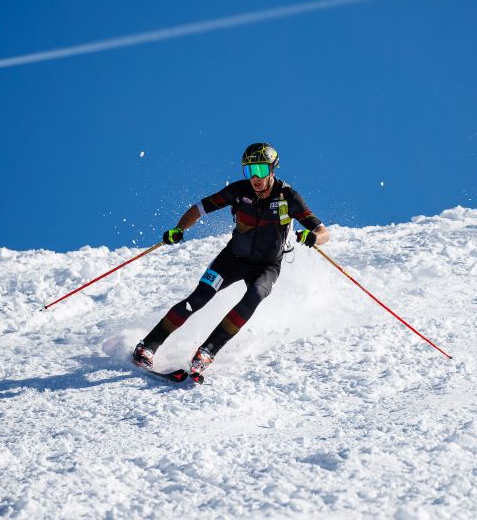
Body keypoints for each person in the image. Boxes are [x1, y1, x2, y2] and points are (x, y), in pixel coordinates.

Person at [132, 143, 329, 375]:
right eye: (249, 171)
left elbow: (322, 231)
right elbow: (199, 208)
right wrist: (179, 229)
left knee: (254, 295)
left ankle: (207, 351)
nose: (255, 177)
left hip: (266, 267)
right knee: (198, 298)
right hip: (232, 259)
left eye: (261, 171)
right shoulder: (239, 191)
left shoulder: (288, 197)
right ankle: (148, 346)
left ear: (272, 170)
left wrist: (312, 238)